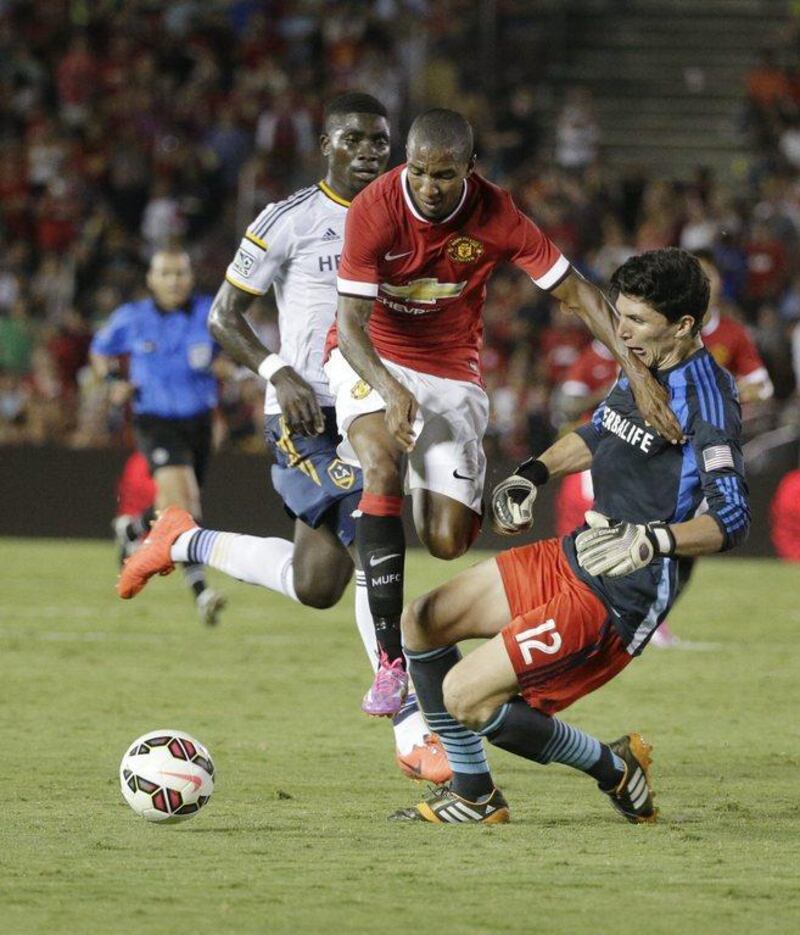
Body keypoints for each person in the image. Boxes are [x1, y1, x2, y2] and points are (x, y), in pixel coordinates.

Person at [115, 92, 450, 784]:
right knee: (371, 524)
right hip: (306, 416)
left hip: (373, 406)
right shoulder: (288, 221)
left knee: (318, 582)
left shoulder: (403, 216)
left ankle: (180, 539)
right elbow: (223, 314)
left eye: (380, 142)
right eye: (354, 138)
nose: (368, 152)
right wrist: (278, 370)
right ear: (325, 141)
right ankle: (410, 726)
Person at [327, 108, 684, 719]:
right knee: (380, 464)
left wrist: (639, 376)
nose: (428, 186)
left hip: (452, 373)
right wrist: (388, 388)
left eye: (443, 175)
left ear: (470, 169)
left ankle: (417, 477)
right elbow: (349, 326)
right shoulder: (375, 209)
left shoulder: (497, 213)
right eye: (417, 171)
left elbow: (575, 292)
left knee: (447, 541)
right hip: (375, 358)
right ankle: (389, 664)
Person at [389, 248, 750, 824]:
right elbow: (602, 431)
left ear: (683, 326)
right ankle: (475, 794)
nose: (620, 331)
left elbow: (732, 518)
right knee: (423, 618)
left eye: (636, 321)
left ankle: (611, 769)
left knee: (464, 697)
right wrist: (532, 474)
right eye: (619, 315)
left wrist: (656, 541)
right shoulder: (642, 366)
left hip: (620, 593)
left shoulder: (707, 400)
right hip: (579, 551)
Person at [90, 248, 226, 625]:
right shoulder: (132, 318)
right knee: (185, 504)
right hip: (154, 420)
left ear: (190, 276)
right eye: (165, 273)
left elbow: (227, 350)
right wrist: (113, 381)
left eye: (180, 273)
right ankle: (202, 591)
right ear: (150, 279)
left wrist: (229, 367)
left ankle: (133, 528)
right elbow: (100, 352)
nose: (173, 281)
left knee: (175, 509)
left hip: (198, 422)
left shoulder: (209, 312)